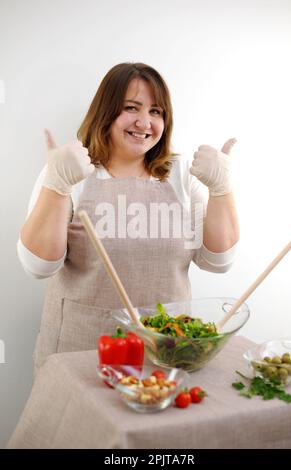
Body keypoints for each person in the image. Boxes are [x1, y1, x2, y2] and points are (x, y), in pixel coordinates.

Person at [17, 62, 239, 374]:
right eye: (131, 108)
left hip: (165, 353)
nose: (144, 122)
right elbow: (39, 266)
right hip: (80, 353)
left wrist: (222, 189)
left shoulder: (182, 177)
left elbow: (218, 261)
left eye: (156, 111)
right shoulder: (70, 172)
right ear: (105, 112)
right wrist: (57, 185)